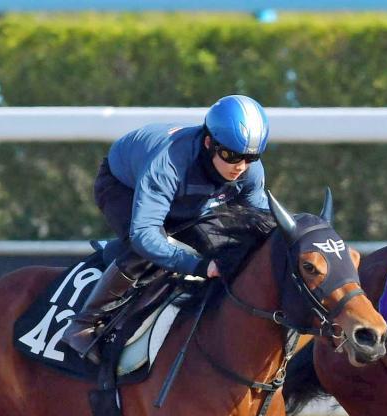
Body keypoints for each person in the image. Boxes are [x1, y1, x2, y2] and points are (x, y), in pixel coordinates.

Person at [64, 94, 271, 362]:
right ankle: (82, 325)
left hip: (186, 201)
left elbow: (261, 220)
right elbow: (145, 235)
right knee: (144, 251)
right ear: (209, 142)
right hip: (123, 187)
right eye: (230, 155)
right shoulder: (169, 162)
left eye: (250, 157)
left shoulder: (248, 171)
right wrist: (199, 267)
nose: (240, 166)